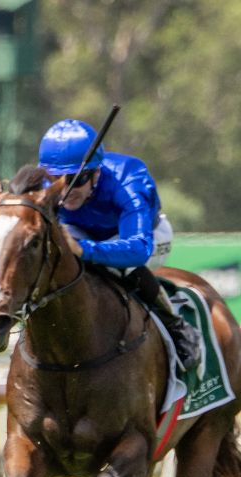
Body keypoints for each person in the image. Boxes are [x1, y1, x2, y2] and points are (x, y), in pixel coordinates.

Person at [38, 118, 202, 373]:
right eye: (55, 178)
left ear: (96, 173)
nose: (65, 190)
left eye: (76, 179)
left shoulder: (129, 179)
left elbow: (138, 249)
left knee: (118, 269)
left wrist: (85, 250)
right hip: (82, 233)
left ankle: (176, 326)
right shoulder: (44, 187)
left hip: (147, 237)